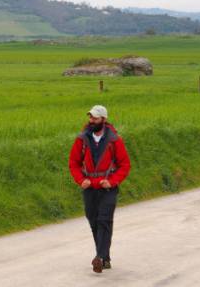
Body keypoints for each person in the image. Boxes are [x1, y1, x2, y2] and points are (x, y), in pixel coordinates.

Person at [68, 105, 131, 273]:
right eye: (90, 117)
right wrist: (81, 180)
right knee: (94, 222)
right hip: (89, 188)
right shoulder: (82, 139)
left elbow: (125, 165)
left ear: (103, 119)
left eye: (95, 118)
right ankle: (105, 257)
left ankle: (100, 258)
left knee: (104, 220)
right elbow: (73, 163)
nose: (91, 120)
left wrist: (112, 181)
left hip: (108, 188)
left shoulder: (114, 140)